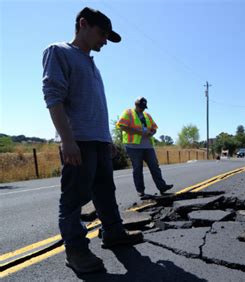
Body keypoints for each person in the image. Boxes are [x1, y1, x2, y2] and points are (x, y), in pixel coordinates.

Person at [42, 7, 143, 274]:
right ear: (83, 24)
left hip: (98, 140)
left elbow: (95, 106)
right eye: (102, 34)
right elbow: (53, 97)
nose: (105, 42)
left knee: (104, 192)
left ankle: (113, 233)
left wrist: (107, 139)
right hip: (79, 141)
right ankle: (76, 251)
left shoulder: (91, 62)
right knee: (74, 198)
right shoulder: (59, 51)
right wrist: (67, 139)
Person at [116, 97, 173, 198]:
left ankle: (162, 187)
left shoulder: (147, 115)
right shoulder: (128, 113)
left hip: (147, 146)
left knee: (155, 166)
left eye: (144, 107)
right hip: (133, 146)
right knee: (138, 169)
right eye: (141, 106)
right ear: (136, 105)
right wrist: (140, 132)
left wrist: (151, 133)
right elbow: (122, 126)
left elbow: (155, 128)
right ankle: (140, 191)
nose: (142, 109)